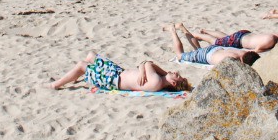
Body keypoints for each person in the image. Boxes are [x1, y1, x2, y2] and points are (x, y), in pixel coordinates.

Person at [49, 52, 189, 92]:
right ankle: (74, 76)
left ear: (173, 83)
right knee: (91, 56)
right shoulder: (160, 78)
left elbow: (146, 63)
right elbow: (148, 63)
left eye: (177, 76)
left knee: (81, 65)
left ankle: (56, 85)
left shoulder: (157, 81)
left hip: (112, 80)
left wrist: (142, 68)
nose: (175, 72)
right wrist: (144, 67)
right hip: (117, 72)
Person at [163, 23, 264, 66]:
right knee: (180, 55)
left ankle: (182, 28)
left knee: (198, 49)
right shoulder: (234, 61)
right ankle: (172, 30)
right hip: (206, 55)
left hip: (217, 49)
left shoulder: (244, 52)